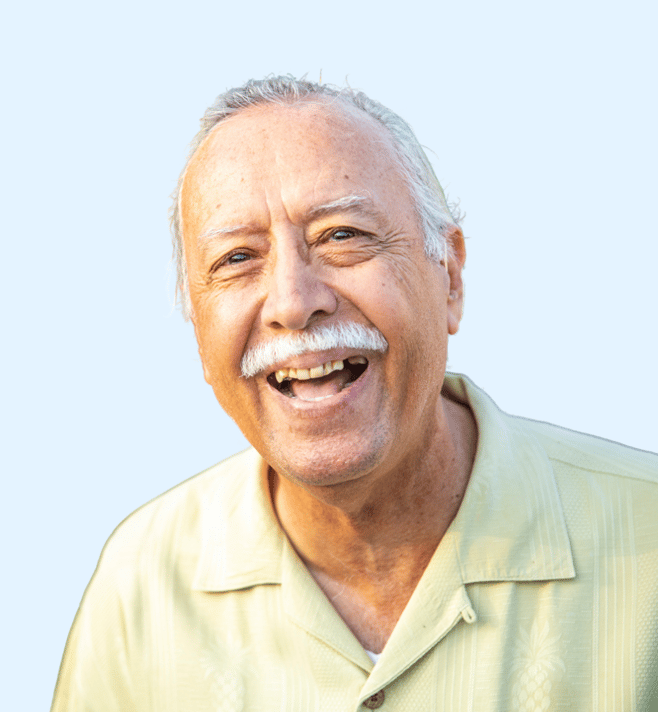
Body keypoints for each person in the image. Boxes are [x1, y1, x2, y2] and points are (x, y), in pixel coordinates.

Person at [52, 75, 658, 711]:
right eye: (236, 258)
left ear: (449, 277)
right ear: (197, 327)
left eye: (342, 236)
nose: (293, 302)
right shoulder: (143, 582)